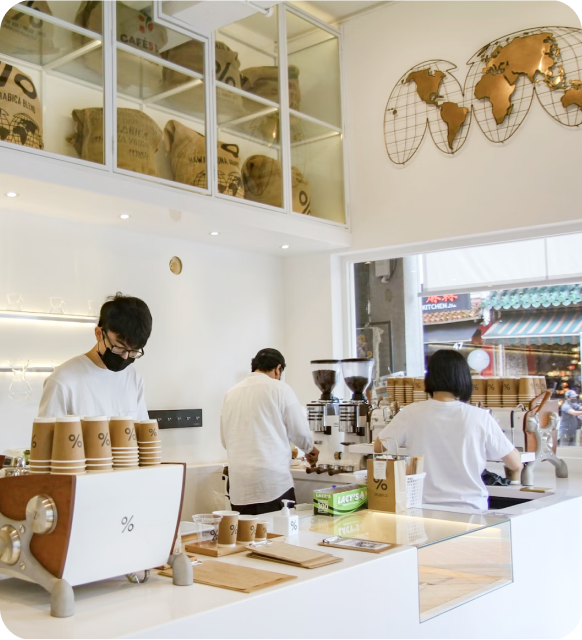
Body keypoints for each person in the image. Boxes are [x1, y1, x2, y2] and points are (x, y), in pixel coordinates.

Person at [374, 350, 523, 511]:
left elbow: (378, 447)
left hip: (424, 509)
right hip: (471, 509)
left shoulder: (411, 413)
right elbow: (515, 464)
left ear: (429, 378)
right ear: (464, 378)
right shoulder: (479, 416)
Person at [220, 348, 319, 515]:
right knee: (279, 538)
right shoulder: (280, 389)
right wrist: (310, 449)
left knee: (246, 540)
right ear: (277, 369)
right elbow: (300, 432)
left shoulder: (230, 393)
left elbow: (225, 441)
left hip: (239, 487)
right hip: (272, 485)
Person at [38, 293, 152, 420]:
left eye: (133, 351)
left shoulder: (134, 378)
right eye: (119, 347)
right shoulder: (62, 381)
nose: (125, 357)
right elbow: (47, 438)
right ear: (99, 334)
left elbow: (141, 433)